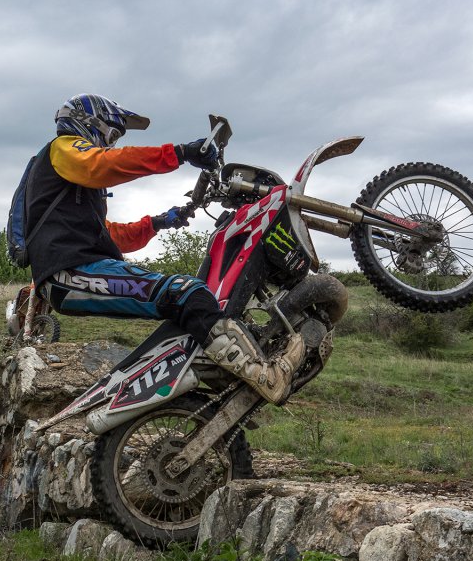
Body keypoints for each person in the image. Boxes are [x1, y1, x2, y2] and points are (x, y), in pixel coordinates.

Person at [24, 93, 304, 404]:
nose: (111, 145)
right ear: (89, 123)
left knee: (186, 301)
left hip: (76, 272)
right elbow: (101, 165)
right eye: (112, 135)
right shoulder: (63, 148)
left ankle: (214, 368)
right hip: (71, 274)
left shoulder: (68, 188)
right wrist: (180, 153)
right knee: (187, 293)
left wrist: (158, 223)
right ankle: (263, 377)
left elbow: (110, 235)